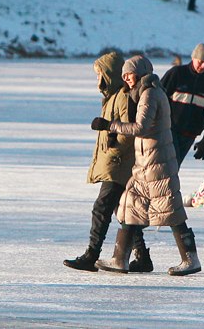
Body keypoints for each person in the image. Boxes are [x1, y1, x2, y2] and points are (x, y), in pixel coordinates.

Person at [90, 55, 202, 276]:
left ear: (140, 72)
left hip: (158, 162)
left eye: (129, 74)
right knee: (130, 205)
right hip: (145, 162)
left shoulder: (150, 93)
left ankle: (191, 259)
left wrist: (110, 126)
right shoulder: (144, 92)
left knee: (171, 209)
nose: (126, 79)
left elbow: (141, 127)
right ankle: (120, 259)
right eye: (123, 75)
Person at [64, 52, 143, 272]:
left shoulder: (122, 97)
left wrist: (112, 143)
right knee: (124, 209)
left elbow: (129, 131)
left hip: (119, 163)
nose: (97, 79)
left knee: (102, 208)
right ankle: (142, 256)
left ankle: (91, 255)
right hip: (114, 161)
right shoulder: (111, 96)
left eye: (100, 74)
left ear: (109, 74)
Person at [160, 43, 204, 167]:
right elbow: (157, 99)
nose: (203, 66)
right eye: (201, 62)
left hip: (189, 134)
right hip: (169, 130)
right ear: (193, 57)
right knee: (168, 167)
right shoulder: (176, 74)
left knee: (173, 167)